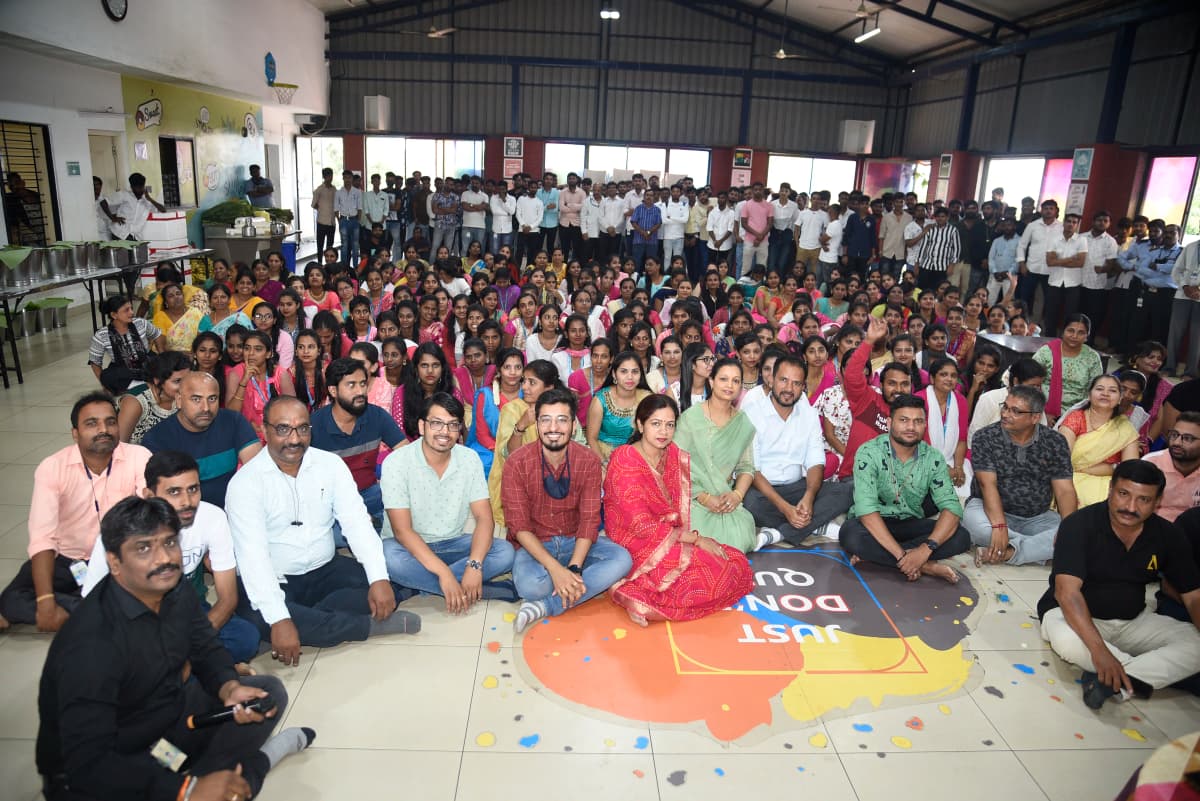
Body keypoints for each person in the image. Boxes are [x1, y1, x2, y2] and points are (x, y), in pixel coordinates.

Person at [36, 496, 315, 801]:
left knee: (266, 696)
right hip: (102, 768)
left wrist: (228, 686)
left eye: (170, 543)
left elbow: (204, 645)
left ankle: (202, 779)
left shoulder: (173, 589)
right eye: (144, 548)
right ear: (114, 562)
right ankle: (231, 774)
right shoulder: (91, 644)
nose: (163, 559)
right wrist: (185, 790)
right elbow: (88, 764)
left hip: (160, 732)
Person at [226, 397, 418, 664]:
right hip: (276, 577)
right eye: (283, 429)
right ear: (265, 429)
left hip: (325, 569)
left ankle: (304, 622)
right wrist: (279, 618)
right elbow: (252, 559)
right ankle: (362, 627)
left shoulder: (330, 465)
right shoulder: (245, 484)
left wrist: (378, 579)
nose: (294, 439)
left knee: (386, 582)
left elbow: (357, 523)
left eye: (302, 428)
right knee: (256, 610)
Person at [1037, 460, 1200, 709]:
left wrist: (1104, 656)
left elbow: (1193, 597)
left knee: (1195, 643)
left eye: (1144, 500)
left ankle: (1112, 679)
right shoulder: (1079, 525)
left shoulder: (1168, 535)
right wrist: (1099, 651)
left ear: (1157, 502)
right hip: (1071, 617)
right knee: (1068, 642)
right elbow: (1067, 593)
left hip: (1134, 620)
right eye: (1124, 494)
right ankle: (1130, 675)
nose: (1130, 507)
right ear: (1110, 490)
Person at [80, 451, 260, 662]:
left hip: (189, 611)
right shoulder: (121, 530)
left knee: (245, 638)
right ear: (149, 496)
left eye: (193, 489)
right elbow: (91, 605)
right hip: (135, 616)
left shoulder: (213, 518)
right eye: (174, 492)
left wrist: (187, 644)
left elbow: (228, 599)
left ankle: (175, 669)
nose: (187, 502)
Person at [0, 393, 151, 630]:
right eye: (92, 423)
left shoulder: (139, 457)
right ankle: (99, 609)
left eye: (110, 422)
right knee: (11, 600)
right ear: (75, 433)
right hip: (68, 559)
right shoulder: (53, 468)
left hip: (120, 559)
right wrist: (46, 603)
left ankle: (84, 609)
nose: (104, 429)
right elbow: (42, 538)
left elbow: (151, 510)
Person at [602, 395, 754, 626]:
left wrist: (691, 539)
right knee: (697, 577)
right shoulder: (625, 459)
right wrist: (695, 539)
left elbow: (675, 507)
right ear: (640, 425)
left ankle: (647, 602)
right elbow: (640, 524)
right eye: (655, 423)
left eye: (670, 424)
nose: (663, 431)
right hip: (633, 539)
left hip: (668, 534)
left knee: (733, 564)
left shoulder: (671, 453)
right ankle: (635, 597)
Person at [502, 387, 632, 631]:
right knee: (531, 586)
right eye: (546, 420)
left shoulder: (588, 460)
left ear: (574, 426)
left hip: (576, 541)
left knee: (622, 559)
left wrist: (573, 567)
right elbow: (518, 527)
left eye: (562, 420)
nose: (554, 428)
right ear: (537, 424)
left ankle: (543, 607)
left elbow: (589, 520)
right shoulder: (517, 463)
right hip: (536, 544)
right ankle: (563, 588)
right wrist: (555, 570)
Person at [381, 392, 516, 610]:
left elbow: (484, 519)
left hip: (452, 542)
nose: (445, 432)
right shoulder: (396, 463)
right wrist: (445, 574)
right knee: (389, 558)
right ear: (422, 426)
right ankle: (460, 586)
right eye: (437, 423)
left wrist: (474, 565)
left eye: (453, 425)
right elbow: (403, 532)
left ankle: (417, 587)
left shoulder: (469, 459)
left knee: (505, 552)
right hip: (406, 547)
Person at [839, 394, 971, 583]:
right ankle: (924, 566)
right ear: (889, 422)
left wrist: (925, 549)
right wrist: (904, 557)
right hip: (873, 522)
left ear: (925, 425)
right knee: (850, 535)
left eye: (918, 421)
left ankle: (884, 556)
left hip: (910, 520)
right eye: (904, 420)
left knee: (961, 536)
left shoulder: (933, 457)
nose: (911, 427)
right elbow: (866, 510)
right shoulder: (869, 452)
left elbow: (952, 507)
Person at [743, 356, 854, 547]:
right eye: (783, 380)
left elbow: (815, 461)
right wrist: (786, 508)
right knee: (750, 504)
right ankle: (814, 526)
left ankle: (780, 533)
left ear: (803, 386)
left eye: (796, 383)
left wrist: (809, 497)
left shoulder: (808, 414)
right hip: (763, 490)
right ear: (771, 380)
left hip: (797, 487)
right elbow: (752, 469)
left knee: (849, 489)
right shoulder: (751, 413)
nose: (788, 389)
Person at [965, 384, 1078, 566]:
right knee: (978, 529)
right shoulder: (985, 437)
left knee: (1073, 533)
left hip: (1036, 517)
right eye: (1005, 407)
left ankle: (1008, 552)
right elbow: (988, 485)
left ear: (1035, 417)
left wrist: (1068, 529)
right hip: (987, 510)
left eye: (1015, 411)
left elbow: (1064, 490)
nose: (1005, 414)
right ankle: (1038, 551)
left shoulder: (1055, 442)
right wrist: (1000, 525)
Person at [672, 358, 759, 552]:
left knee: (738, 538)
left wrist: (737, 495)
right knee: (698, 542)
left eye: (736, 381)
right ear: (711, 382)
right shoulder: (690, 419)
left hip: (725, 499)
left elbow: (746, 467)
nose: (730, 385)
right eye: (723, 379)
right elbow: (675, 464)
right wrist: (703, 497)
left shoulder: (742, 423)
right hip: (692, 498)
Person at [311, 358, 406, 531]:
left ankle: (372, 526)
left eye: (363, 383)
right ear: (333, 390)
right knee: (328, 535)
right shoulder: (314, 425)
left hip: (370, 494)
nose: (360, 391)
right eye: (351, 385)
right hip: (331, 502)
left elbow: (406, 455)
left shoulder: (377, 416)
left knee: (407, 514)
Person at [141, 372, 262, 508]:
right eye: (196, 399)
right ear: (179, 400)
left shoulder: (233, 421)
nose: (206, 408)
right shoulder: (157, 439)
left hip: (235, 510)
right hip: (184, 517)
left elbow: (258, 472)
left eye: (212, 399)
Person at [837, 317, 912, 481]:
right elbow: (851, 375)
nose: (899, 389)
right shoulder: (868, 399)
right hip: (853, 478)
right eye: (892, 383)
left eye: (904, 384)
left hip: (891, 486)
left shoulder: (913, 416)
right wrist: (869, 340)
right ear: (881, 384)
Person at [1058, 374, 1141, 506]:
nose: (1105, 394)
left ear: (1120, 399)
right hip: (1068, 481)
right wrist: (1109, 468)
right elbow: (1061, 462)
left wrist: (1102, 470)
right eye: (1100, 389)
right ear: (1089, 395)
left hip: (1108, 486)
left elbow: (1130, 470)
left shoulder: (1126, 428)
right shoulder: (1075, 419)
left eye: (1112, 391)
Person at [586, 350, 652, 464]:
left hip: (639, 457)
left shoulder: (647, 399)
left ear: (641, 374)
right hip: (604, 457)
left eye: (635, 372)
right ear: (614, 374)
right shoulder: (600, 400)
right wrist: (605, 465)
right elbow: (592, 439)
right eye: (624, 371)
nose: (630, 377)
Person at [919, 357, 972, 502]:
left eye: (953, 375)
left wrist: (958, 467)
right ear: (932, 378)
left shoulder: (960, 401)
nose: (949, 379)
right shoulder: (919, 400)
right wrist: (942, 468)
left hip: (952, 458)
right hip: (922, 458)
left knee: (964, 488)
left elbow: (961, 439)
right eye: (943, 374)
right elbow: (917, 444)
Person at [1034, 313, 1103, 423]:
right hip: (1043, 410)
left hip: (1079, 414)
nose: (1074, 336)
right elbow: (1030, 382)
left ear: (1087, 336)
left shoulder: (1092, 358)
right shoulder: (1047, 352)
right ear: (1063, 331)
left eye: (1081, 333)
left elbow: (1097, 389)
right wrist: (1041, 414)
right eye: (1070, 330)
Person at [89, 295, 163, 393]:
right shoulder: (101, 335)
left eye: (131, 308)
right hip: (123, 369)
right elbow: (95, 362)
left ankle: (142, 385)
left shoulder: (141, 323)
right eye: (126, 310)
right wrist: (104, 384)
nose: (132, 313)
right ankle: (141, 385)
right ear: (114, 315)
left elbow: (157, 335)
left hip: (147, 363)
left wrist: (162, 355)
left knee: (162, 367)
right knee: (107, 376)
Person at [967, 357, 1047, 447]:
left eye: (1038, 386)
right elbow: (974, 436)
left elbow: (1041, 439)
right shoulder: (990, 399)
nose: (1037, 390)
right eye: (1033, 386)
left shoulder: (1036, 406)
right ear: (1016, 381)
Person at [117, 350, 190, 444]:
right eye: (177, 381)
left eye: (187, 379)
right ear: (157, 380)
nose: (185, 385)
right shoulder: (136, 402)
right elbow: (120, 445)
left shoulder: (187, 395)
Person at [1142, 411, 1200, 522]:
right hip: (1154, 529)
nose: (1177, 442)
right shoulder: (1150, 464)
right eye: (1174, 435)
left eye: (1188, 438)